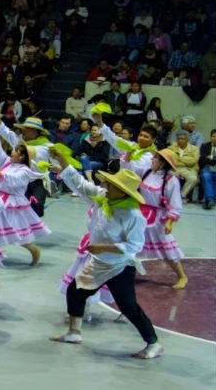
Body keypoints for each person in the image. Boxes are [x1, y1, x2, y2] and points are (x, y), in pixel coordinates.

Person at [49, 149, 164, 360]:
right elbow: (80, 184)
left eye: (111, 185)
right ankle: (74, 332)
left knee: (128, 306)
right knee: (75, 291)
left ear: (123, 192)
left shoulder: (133, 215)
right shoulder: (103, 197)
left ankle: (154, 343)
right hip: (99, 262)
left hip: (119, 265)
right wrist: (63, 160)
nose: (105, 186)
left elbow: (134, 246)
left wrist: (103, 248)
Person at [0, 123, 51, 265]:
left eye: (15, 151)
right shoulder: (8, 163)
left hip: (12, 204)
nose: (12, 152)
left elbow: (15, 180)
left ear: (21, 157)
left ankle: (34, 250)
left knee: (17, 234)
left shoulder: (25, 170)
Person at [137, 149, 188, 288]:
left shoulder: (171, 181)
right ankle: (125, 272)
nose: (152, 160)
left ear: (162, 163)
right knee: (131, 242)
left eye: (155, 158)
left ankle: (182, 276)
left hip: (157, 219)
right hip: (140, 214)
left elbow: (175, 204)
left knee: (166, 249)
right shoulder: (147, 172)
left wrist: (169, 222)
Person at [168, 130, 200, 202]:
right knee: (168, 174)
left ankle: (181, 196)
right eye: (178, 139)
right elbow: (169, 159)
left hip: (188, 169)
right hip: (174, 168)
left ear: (187, 140)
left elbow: (193, 161)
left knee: (193, 178)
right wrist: (185, 160)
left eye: (182, 139)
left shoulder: (194, 149)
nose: (180, 140)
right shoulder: (171, 148)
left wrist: (178, 158)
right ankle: (168, 196)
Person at [199, 129, 216, 209]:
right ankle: (210, 199)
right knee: (206, 176)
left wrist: (211, 157)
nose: (215, 138)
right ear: (210, 137)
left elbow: (208, 159)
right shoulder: (204, 146)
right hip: (207, 168)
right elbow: (202, 160)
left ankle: (214, 199)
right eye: (213, 136)